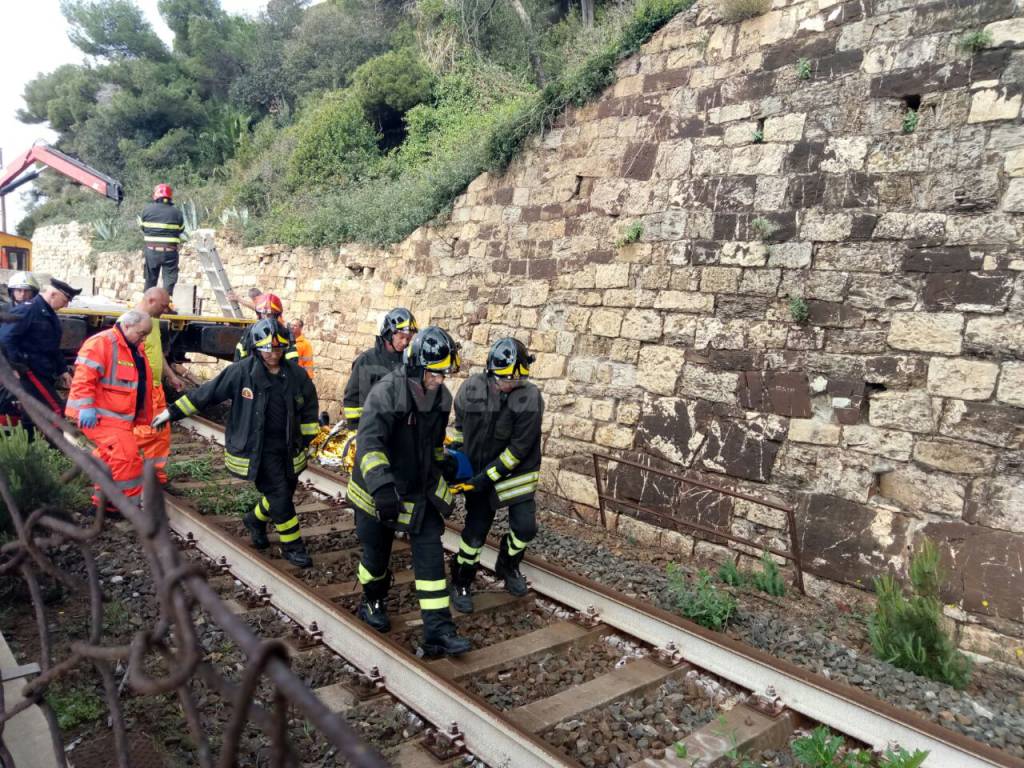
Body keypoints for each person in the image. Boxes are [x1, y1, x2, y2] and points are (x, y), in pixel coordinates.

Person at [153, 318, 319, 568]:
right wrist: (171, 412)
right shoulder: (241, 372)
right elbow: (205, 395)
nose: (273, 354)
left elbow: (308, 405)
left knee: (284, 490)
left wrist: (306, 438)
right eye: (267, 349)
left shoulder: (295, 375)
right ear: (256, 347)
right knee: (280, 495)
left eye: (277, 349)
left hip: (288, 447)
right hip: (258, 448)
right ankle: (293, 547)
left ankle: (254, 519)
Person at [347, 325, 470, 657]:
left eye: (445, 373)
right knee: (376, 556)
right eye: (435, 373)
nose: (441, 380)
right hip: (378, 490)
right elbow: (370, 444)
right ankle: (372, 601)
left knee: (430, 554)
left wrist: (444, 463)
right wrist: (383, 488)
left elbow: (432, 445)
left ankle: (438, 630)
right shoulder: (386, 392)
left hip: (418, 491)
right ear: (416, 366)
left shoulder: (441, 397)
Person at [449, 338, 543, 613]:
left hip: (517, 475)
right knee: (474, 534)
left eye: (514, 379)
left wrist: (486, 477)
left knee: (526, 528)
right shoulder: (470, 390)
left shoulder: (530, 399)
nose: (508, 384)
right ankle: (461, 580)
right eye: (502, 379)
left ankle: (508, 564)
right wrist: (457, 461)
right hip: (479, 471)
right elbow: (460, 430)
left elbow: (517, 450)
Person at [65, 310, 153, 513]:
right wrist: (85, 408)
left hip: (120, 418)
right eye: (141, 333)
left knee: (109, 459)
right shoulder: (102, 343)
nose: (144, 338)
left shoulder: (134, 348)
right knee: (127, 458)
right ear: (127, 325)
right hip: (101, 417)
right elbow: (83, 379)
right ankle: (124, 508)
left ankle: (103, 505)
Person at [0, 279, 81, 436]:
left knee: (31, 414)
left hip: (41, 371)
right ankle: (55, 452)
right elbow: (4, 339)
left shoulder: (49, 315)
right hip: (30, 372)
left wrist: (62, 370)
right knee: (55, 410)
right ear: (52, 294)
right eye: (64, 300)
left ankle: (31, 449)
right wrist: (15, 366)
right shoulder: (29, 311)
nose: (65, 305)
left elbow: (51, 347)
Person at [131, 288, 187, 485]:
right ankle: (126, 471)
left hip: (155, 388)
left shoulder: (152, 321)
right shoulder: (132, 322)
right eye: (163, 306)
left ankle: (156, 478)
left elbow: (158, 353)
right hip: (142, 389)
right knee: (145, 433)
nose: (165, 310)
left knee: (161, 434)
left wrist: (171, 376)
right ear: (151, 300)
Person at [342, 308, 417, 429]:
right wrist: (358, 430)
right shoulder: (366, 360)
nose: (405, 342)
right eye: (401, 337)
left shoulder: (409, 363)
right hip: (371, 431)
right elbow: (353, 400)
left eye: (408, 338)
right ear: (388, 333)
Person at [140, 184, 185, 296]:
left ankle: (148, 305)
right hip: (170, 251)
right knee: (169, 280)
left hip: (151, 251)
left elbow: (143, 228)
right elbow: (181, 229)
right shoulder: (177, 213)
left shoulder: (147, 210)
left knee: (150, 280)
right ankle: (166, 305)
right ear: (170, 196)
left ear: (155, 196)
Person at [233, 293, 297, 364]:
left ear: (277, 315)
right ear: (259, 315)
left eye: (270, 315)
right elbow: (240, 355)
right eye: (264, 314)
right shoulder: (250, 331)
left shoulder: (285, 333)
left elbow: (292, 361)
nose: (266, 318)